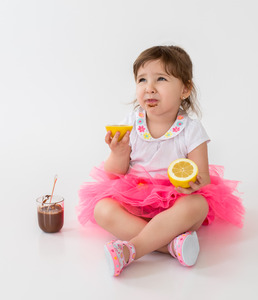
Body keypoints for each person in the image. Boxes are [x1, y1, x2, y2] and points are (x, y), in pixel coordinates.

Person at [77, 45, 244, 277]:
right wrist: (118, 152)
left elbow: (203, 177)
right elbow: (115, 173)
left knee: (198, 205)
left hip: (174, 205)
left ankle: (132, 249)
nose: (150, 88)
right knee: (102, 209)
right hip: (134, 202)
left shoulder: (191, 129)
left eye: (161, 79)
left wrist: (192, 185)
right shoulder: (131, 123)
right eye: (142, 80)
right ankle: (171, 247)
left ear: (185, 89)